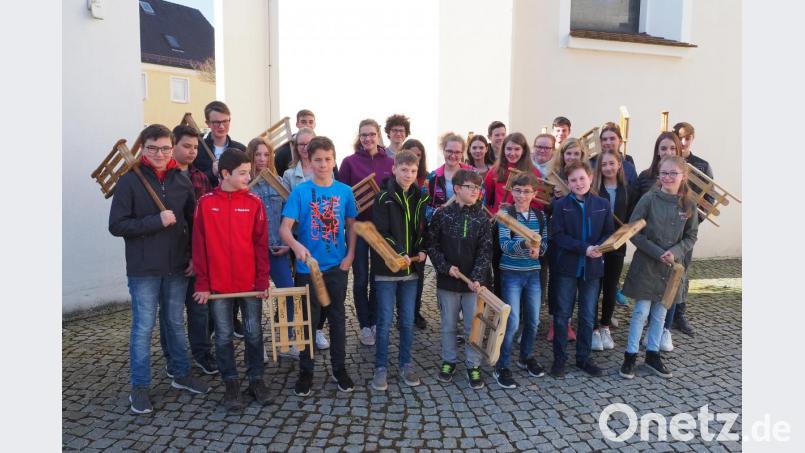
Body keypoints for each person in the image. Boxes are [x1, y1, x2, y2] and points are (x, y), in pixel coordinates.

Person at [110, 124, 209, 414]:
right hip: (144, 269)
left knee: (175, 323)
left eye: (165, 148)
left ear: (171, 148)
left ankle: (181, 374)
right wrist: (156, 220)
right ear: (143, 148)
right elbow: (117, 225)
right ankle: (139, 388)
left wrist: (193, 256)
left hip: (177, 266)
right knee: (143, 328)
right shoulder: (129, 181)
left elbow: (193, 223)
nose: (159, 154)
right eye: (153, 148)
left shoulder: (181, 179)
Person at [192, 149, 271, 411]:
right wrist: (202, 283)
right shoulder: (205, 203)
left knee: (253, 332)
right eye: (243, 173)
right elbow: (199, 246)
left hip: (249, 285)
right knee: (224, 335)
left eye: (248, 172)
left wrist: (262, 281)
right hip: (218, 286)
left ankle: (256, 379)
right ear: (225, 174)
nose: (248, 176)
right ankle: (231, 382)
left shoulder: (254, 202)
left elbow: (261, 245)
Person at [280, 136, 358, 397]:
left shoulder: (345, 191)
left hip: (336, 267)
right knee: (307, 323)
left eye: (327, 159)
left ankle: (339, 369)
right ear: (309, 162)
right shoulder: (300, 192)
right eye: (317, 160)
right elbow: (284, 229)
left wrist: (350, 255)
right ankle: (306, 372)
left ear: (334, 160)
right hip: (307, 270)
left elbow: (352, 225)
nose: (323, 165)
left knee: (337, 318)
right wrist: (296, 246)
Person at [619, 155, 698, 380]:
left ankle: (653, 355)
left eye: (673, 173)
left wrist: (676, 251)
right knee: (641, 312)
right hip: (647, 264)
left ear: (683, 176)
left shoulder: (688, 203)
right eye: (664, 173)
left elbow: (691, 236)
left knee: (660, 313)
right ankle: (630, 356)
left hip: (671, 267)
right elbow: (633, 232)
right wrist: (656, 252)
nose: (668, 177)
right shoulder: (649, 199)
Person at [158, 125, 217, 377]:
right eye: (186, 146)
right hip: (168, 256)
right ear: (173, 146)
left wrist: (198, 255)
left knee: (199, 309)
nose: (192, 151)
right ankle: (173, 358)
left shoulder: (201, 177)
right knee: (170, 312)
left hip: (196, 255)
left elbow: (201, 222)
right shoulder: (160, 177)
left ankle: (202, 353)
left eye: (195, 147)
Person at [427, 169, 493, 389]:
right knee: (448, 325)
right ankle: (449, 360)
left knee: (472, 326)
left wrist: (476, 277)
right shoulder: (441, 215)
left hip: (472, 284)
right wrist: (445, 267)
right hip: (448, 282)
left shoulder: (482, 217)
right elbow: (432, 246)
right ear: (456, 189)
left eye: (477, 187)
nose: (475, 191)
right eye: (470, 187)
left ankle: (473, 365)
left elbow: (485, 251)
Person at [549, 160, 614, 378]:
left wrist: (601, 248)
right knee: (562, 315)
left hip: (593, 269)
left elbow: (609, 233)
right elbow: (558, 236)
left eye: (582, 178)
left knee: (587, 316)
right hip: (567, 268)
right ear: (567, 183)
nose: (578, 183)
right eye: (573, 180)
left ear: (591, 178)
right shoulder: (561, 205)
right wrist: (584, 248)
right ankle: (559, 360)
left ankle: (583, 358)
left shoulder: (603, 204)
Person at [370, 150, 429, 391]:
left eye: (413, 171)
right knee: (384, 321)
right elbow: (381, 232)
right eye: (404, 170)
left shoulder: (420, 198)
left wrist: (422, 249)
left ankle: (405, 363)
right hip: (387, 269)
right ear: (394, 169)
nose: (408, 175)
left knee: (406, 321)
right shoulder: (383, 198)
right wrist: (398, 252)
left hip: (411, 272)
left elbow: (424, 229)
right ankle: (380, 367)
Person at [336, 119, 394, 347]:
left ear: (379, 135)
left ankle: (377, 321)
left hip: (381, 230)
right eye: (363, 135)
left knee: (378, 278)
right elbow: (342, 194)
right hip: (358, 229)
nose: (367, 139)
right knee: (360, 279)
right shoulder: (349, 162)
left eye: (371, 134)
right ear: (359, 137)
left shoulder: (390, 162)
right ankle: (364, 325)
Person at [493, 173, 549, 389]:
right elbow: (505, 245)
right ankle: (502, 364)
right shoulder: (506, 215)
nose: (522, 195)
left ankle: (525, 357)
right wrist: (526, 246)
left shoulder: (540, 216)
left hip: (533, 273)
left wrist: (539, 251)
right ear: (511, 191)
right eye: (518, 190)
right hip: (511, 274)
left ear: (534, 194)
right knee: (513, 321)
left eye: (527, 191)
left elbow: (545, 243)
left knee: (533, 321)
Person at [281, 127, 334, 350]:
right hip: (297, 239)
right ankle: (295, 333)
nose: (304, 147)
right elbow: (287, 208)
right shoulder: (290, 174)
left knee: (323, 290)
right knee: (298, 288)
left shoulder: (327, 170)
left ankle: (317, 329)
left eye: (308, 143)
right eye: (300, 144)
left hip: (322, 240)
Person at [246, 137, 298, 359]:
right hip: (253, 253)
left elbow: (290, 215)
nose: (261, 159)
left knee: (287, 292)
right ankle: (257, 348)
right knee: (253, 299)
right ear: (250, 156)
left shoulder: (280, 182)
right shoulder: (245, 183)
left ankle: (286, 342)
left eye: (266, 155)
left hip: (278, 249)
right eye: (257, 154)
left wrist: (288, 242)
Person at [590, 148, 637, 352]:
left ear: (619, 165)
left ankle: (605, 325)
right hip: (596, 245)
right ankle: (592, 329)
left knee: (610, 287)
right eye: (604, 164)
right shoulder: (593, 189)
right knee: (593, 287)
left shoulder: (627, 190)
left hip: (617, 246)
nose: (608, 167)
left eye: (612, 163)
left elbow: (632, 217)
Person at [669, 121, 713, 336]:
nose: (684, 142)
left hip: (686, 230)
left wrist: (693, 223)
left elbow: (710, 199)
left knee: (683, 271)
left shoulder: (702, 165)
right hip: (665, 228)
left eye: (688, 138)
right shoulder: (669, 164)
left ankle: (679, 314)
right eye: (680, 138)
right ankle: (662, 313)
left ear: (692, 139)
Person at [400, 139, 430, 329]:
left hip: (419, 231)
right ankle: (401, 314)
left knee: (418, 277)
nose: (414, 159)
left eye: (418, 156)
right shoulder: (401, 179)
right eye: (410, 154)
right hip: (403, 233)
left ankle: (414, 312)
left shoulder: (426, 179)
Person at [483, 132, 544, 214]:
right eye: (508, 149)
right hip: (498, 220)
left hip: (523, 222)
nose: (512, 153)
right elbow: (485, 198)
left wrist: (515, 208)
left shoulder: (533, 172)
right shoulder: (495, 170)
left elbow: (538, 203)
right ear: (503, 149)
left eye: (517, 149)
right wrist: (492, 213)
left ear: (523, 151)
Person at [423, 133, 475, 222]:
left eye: (457, 152)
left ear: (462, 153)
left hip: (467, 227)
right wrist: (439, 213)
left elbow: (481, 202)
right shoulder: (432, 177)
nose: (453, 155)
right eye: (449, 151)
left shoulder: (473, 174)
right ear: (443, 151)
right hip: (441, 228)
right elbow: (424, 205)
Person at [196, 100, 246, 188]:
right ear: (208, 123)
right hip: (208, 199)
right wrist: (211, 172)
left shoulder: (241, 150)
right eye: (216, 122)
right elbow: (193, 182)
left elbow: (247, 178)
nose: (222, 126)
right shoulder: (198, 149)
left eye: (225, 121)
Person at [634, 132, 682, 200]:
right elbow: (635, 206)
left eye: (672, 148)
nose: (668, 153)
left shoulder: (686, 177)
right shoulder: (644, 176)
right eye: (663, 149)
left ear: (678, 151)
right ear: (658, 151)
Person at [275, 109, 316, 178]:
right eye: (303, 122)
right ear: (297, 124)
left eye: (311, 122)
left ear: (315, 124)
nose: (307, 125)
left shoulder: (323, 148)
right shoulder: (283, 151)